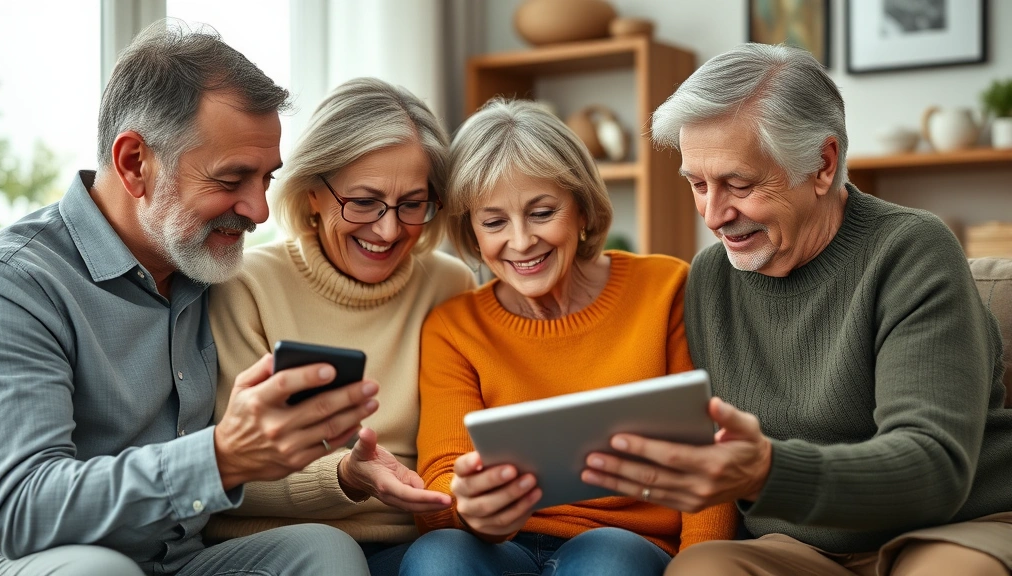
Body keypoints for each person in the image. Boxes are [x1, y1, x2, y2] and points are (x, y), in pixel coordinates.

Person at [578, 43, 1012, 575]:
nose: (714, 215)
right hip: (799, 546)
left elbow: (933, 466)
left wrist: (767, 471)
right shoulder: (710, 279)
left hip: (950, 527)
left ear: (823, 164)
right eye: (697, 184)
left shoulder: (910, 250)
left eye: (739, 183)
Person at [0, 21, 380, 576]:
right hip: (49, 564)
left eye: (266, 178)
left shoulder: (206, 264)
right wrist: (219, 458)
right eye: (230, 179)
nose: (259, 210)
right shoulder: (14, 284)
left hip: (183, 562)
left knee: (325, 551)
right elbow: (19, 510)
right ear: (134, 164)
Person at [399, 99, 737, 576]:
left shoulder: (665, 290)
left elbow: (710, 451)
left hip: (630, 543)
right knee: (439, 557)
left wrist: (701, 562)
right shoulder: (455, 327)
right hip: (503, 545)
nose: (520, 242)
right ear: (472, 235)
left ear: (582, 210)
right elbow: (442, 478)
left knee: (607, 559)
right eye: (494, 222)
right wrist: (469, 506)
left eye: (541, 212)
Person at [205, 77, 476, 576]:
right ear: (312, 193)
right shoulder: (246, 286)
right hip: (287, 549)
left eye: (412, 204)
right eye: (365, 202)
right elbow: (223, 474)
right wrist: (346, 477)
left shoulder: (450, 283)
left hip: (418, 547)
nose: (389, 230)